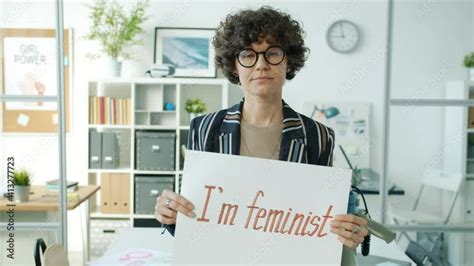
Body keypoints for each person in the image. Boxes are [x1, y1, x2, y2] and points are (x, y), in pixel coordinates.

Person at [155, 6, 368, 249]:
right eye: (248, 55)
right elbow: (192, 218)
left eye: (273, 53)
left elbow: (323, 224)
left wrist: (348, 231)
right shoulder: (204, 128)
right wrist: (171, 215)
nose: (261, 65)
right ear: (234, 66)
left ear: (288, 61)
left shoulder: (318, 137)